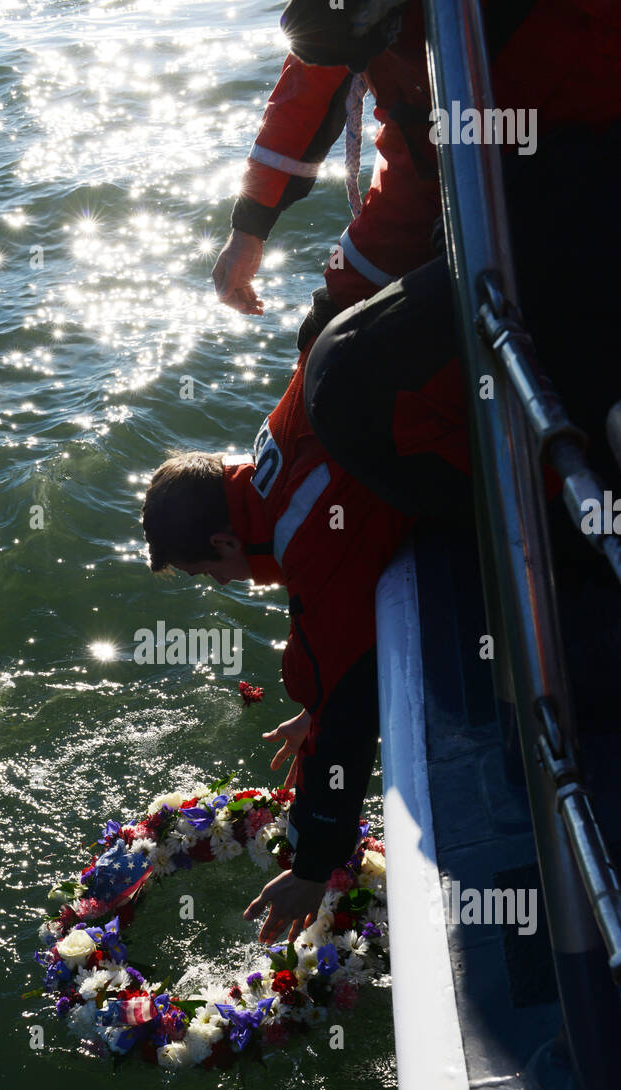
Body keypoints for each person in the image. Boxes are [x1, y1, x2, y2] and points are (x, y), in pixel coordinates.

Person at [141, 352, 416, 943]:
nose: (219, 583)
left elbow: (348, 720)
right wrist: (315, 708)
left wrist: (313, 870)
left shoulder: (308, 540)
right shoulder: (278, 440)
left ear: (222, 539)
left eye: (206, 571)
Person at [214, 0, 621, 349]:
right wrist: (249, 228)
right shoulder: (346, 19)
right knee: (334, 326)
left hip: (560, 167)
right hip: (430, 149)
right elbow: (309, 84)